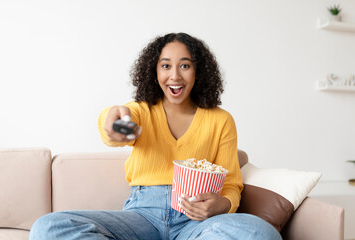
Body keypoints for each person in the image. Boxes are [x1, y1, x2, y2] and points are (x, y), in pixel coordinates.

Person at [29, 32, 282, 240]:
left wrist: (222, 205)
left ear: (198, 72)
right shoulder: (141, 112)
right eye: (165, 66)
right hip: (141, 217)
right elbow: (116, 125)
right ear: (155, 72)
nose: (174, 75)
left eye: (185, 65)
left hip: (195, 223)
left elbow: (231, 185)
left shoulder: (220, 120)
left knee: (261, 233)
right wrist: (114, 123)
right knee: (48, 228)